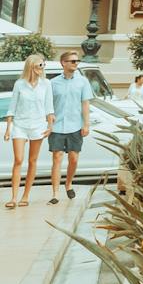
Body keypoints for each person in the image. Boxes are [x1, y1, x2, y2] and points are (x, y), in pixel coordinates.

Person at [5, 54, 53, 209]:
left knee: (32, 161)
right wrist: (8, 129)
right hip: (20, 125)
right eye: (40, 65)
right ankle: (13, 197)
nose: (42, 68)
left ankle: (25, 196)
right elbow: (12, 107)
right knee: (18, 160)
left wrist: (49, 127)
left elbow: (49, 107)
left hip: (38, 126)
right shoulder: (19, 84)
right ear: (31, 66)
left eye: (43, 65)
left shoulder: (46, 84)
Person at [47, 50, 94, 205]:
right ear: (63, 63)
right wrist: (49, 119)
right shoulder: (53, 83)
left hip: (75, 126)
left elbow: (85, 104)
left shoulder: (83, 82)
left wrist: (86, 124)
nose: (76, 63)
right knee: (57, 158)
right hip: (57, 127)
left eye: (77, 61)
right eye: (72, 61)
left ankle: (68, 184)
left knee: (73, 159)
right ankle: (55, 193)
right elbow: (47, 105)